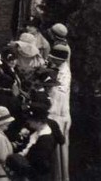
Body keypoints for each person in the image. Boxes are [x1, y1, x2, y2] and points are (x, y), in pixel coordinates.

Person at [6, 103, 57, 181]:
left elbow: (39, 163)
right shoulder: (35, 132)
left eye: (31, 120)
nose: (28, 122)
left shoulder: (45, 140)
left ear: (39, 122)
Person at [47, 44, 71, 181]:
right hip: (59, 114)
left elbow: (56, 97)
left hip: (58, 117)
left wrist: (47, 90)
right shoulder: (59, 69)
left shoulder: (63, 75)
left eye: (54, 59)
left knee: (59, 152)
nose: (52, 61)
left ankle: (60, 178)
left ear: (60, 60)